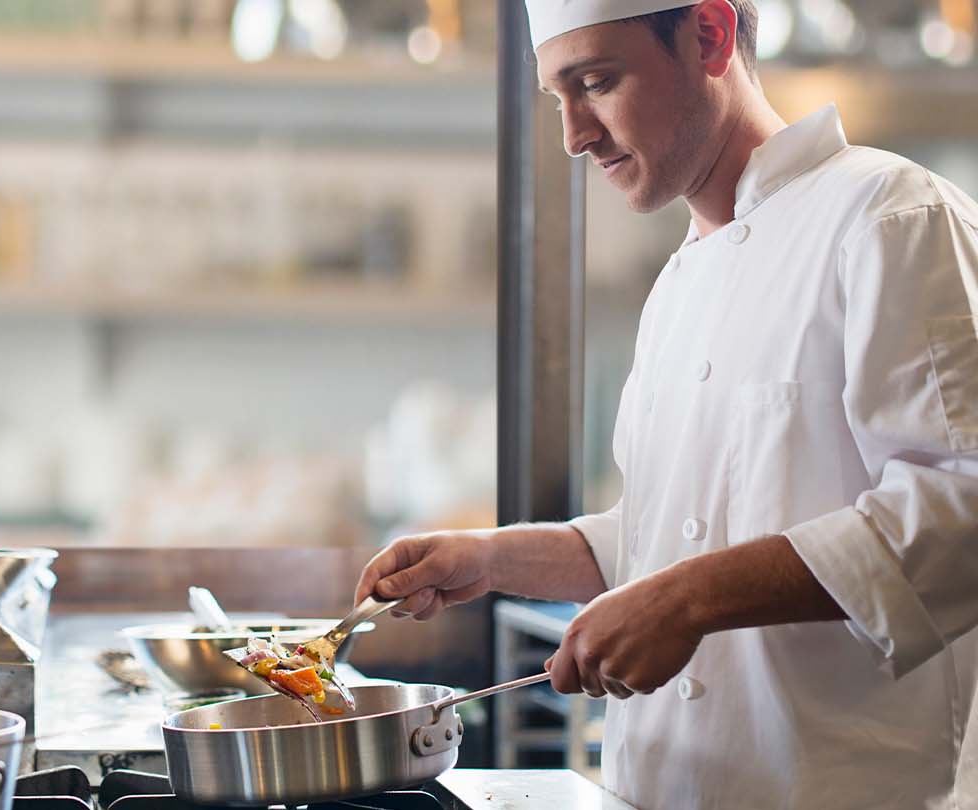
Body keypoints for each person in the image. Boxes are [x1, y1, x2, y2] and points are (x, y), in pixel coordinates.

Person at [354, 1, 978, 807]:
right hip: (654, 789)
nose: (576, 135)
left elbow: (961, 511)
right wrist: (491, 557)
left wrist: (687, 599)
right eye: (558, 98)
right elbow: (665, 533)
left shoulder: (891, 217)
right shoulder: (677, 287)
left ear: (710, 36)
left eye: (598, 83)